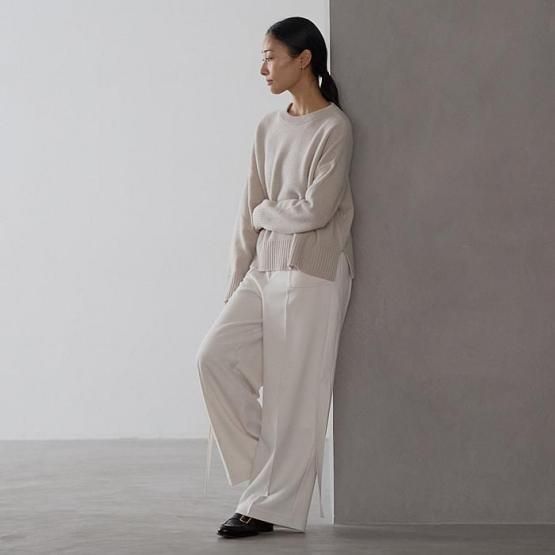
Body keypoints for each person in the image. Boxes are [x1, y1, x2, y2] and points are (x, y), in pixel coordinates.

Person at [195, 16, 355, 538]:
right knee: (214, 358)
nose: (262, 68)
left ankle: (268, 507)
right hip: (265, 268)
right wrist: (234, 284)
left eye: (270, 57)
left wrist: (269, 213)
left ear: (303, 60)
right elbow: (247, 214)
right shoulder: (267, 128)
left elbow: (317, 211)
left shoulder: (334, 128)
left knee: (295, 397)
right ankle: (266, 475)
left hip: (313, 271)